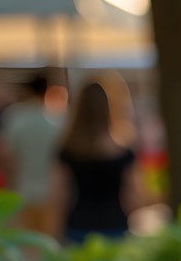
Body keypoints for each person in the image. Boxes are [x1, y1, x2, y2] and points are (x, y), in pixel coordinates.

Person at [56, 80, 139, 244]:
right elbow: (133, 194)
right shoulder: (124, 152)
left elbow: (59, 194)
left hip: (78, 225)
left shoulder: (68, 150)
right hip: (115, 224)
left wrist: (55, 230)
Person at [0, 74, 65, 237]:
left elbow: (4, 155)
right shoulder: (59, 118)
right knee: (49, 246)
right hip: (53, 195)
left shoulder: (15, 117)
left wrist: (9, 181)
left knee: (26, 247)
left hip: (22, 192)